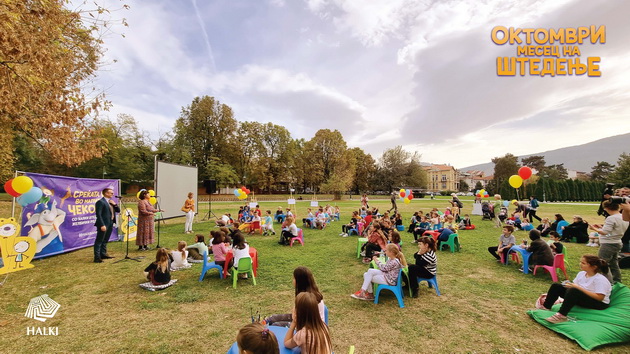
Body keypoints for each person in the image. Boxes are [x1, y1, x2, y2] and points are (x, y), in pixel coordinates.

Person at [536, 255, 612, 324]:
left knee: (574, 291)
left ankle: (561, 316)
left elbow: (600, 297)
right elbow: (575, 287)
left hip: (598, 303)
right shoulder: (581, 274)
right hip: (581, 296)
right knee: (556, 286)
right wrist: (568, 285)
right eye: (581, 262)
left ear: (593, 267)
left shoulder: (600, 279)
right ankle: (546, 307)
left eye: (583, 263)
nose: (580, 264)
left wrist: (578, 288)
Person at [588, 200, 628, 283]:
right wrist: (601, 227)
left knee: (602, 264)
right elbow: (613, 230)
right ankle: (617, 280)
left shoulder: (611, 218)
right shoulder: (623, 216)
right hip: (617, 241)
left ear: (606, 208)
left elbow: (605, 232)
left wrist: (594, 228)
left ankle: (608, 282)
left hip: (608, 243)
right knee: (614, 263)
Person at [93, 188, 120, 263]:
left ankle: (103, 254)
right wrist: (102, 224)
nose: (112, 194)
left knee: (105, 240)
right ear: (106, 193)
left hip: (110, 223)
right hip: (104, 224)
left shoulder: (110, 202)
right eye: (111, 193)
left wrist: (114, 204)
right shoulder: (100, 202)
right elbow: (98, 214)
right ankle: (97, 257)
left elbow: (118, 210)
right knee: (99, 240)